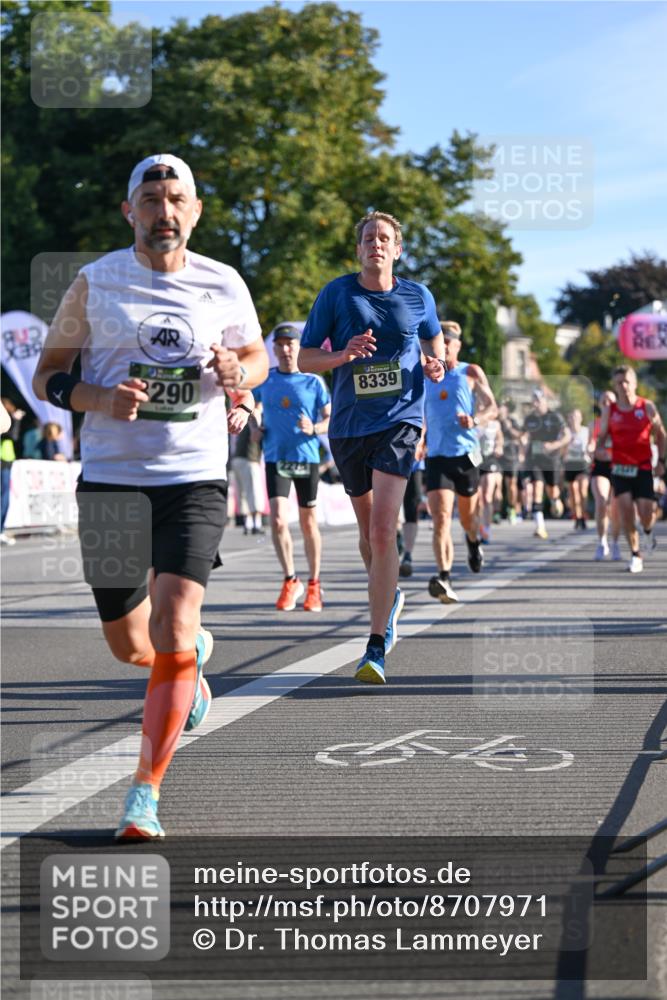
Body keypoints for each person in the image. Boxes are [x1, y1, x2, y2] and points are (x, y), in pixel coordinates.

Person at [33, 153, 268, 839]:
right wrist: (98, 397)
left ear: (194, 211)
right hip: (111, 477)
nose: (164, 212)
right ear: (128, 210)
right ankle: (187, 668)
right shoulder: (95, 282)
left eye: (176, 199)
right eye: (151, 199)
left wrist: (237, 368)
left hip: (192, 476)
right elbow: (49, 374)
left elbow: (253, 356)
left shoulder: (223, 283)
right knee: (129, 644)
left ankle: (145, 793)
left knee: (172, 623)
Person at [298, 210, 444, 683]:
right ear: (358, 248)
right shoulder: (336, 293)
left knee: (384, 532)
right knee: (368, 537)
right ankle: (392, 594)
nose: (375, 244)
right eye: (368, 238)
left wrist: (435, 365)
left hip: (400, 421)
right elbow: (304, 358)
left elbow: (433, 342)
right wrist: (343, 354)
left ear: (397, 249)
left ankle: (376, 645)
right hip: (347, 426)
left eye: (384, 238)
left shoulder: (418, 295)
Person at [253, 323, 331, 612]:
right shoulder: (266, 380)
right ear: (274, 349)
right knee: (276, 520)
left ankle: (314, 584)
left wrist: (315, 428)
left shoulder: (314, 382)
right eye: (281, 344)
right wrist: (254, 425)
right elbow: (254, 406)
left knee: (309, 522)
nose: (286, 349)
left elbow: (329, 419)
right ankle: (290, 579)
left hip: (306, 457)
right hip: (276, 457)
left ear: (299, 348)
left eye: (291, 344)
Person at [424, 321, 498, 604]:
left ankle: (473, 541)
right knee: (440, 517)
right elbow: (420, 414)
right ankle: (444, 576)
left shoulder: (470, 372)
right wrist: (419, 440)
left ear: (457, 345)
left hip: (465, 456)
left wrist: (476, 419)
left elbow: (493, 407)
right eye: (437, 344)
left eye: (447, 343)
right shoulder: (426, 376)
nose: (442, 349)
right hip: (436, 456)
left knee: (468, 518)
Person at [598, 366, 666, 574]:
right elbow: (601, 441)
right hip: (620, 469)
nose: (623, 386)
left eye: (627, 381)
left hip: (643, 467)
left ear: (635, 383)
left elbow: (661, 435)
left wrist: (661, 461)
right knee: (626, 513)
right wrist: (600, 451)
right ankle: (636, 554)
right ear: (615, 386)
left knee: (647, 513)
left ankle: (647, 531)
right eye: (619, 382)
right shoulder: (611, 411)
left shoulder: (647, 407)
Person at [522, 389, 570, 539]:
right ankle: (540, 527)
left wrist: (554, 445)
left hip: (552, 460)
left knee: (552, 490)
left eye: (538, 400)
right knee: (537, 486)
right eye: (533, 400)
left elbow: (567, 435)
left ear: (545, 401)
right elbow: (524, 435)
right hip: (535, 459)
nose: (535, 403)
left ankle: (555, 500)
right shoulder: (530, 418)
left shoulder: (555, 416)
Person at [590, 391, 622, 560]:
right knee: (602, 501)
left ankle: (615, 543)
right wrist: (590, 449)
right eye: (604, 400)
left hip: (619, 466)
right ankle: (602, 541)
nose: (607, 402)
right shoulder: (594, 424)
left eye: (611, 399)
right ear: (600, 404)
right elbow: (590, 444)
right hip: (600, 467)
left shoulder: (622, 421)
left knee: (615, 508)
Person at [230, 420, 265, 536]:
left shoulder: (241, 416)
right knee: (254, 491)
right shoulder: (255, 419)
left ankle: (247, 523)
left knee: (242, 493)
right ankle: (256, 524)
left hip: (236, 458)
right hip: (249, 458)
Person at [1, 397, 25, 545]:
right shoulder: (5, 420)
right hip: (2, 461)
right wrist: (15, 420)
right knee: (3, 498)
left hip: (7, 461)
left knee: (5, 498)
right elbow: (10, 433)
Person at [477, 416, 504, 543]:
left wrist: (499, 446)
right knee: (478, 499)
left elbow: (500, 439)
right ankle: (479, 527)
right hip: (475, 459)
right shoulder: (473, 420)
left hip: (490, 460)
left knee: (487, 496)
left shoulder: (495, 424)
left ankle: (487, 529)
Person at [562, 408, 590, 530]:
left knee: (582, 489)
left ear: (581, 419)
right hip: (570, 464)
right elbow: (561, 452)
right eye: (572, 417)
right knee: (573, 491)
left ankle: (583, 515)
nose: (574, 420)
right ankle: (577, 516)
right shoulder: (565, 432)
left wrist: (590, 451)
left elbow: (591, 445)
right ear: (569, 419)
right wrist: (567, 444)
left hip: (583, 463)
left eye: (576, 417)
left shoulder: (586, 431)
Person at [498, 401, 522, 523]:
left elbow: (520, 435)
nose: (500, 413)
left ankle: (512, 508)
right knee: (496, 485)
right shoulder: (494, 422)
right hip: (496, 457)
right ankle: (496, 512)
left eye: (502, 411)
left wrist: (509, 428)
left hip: (511, 457)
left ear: (506, 412)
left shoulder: (512, 422)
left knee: (511, 485)